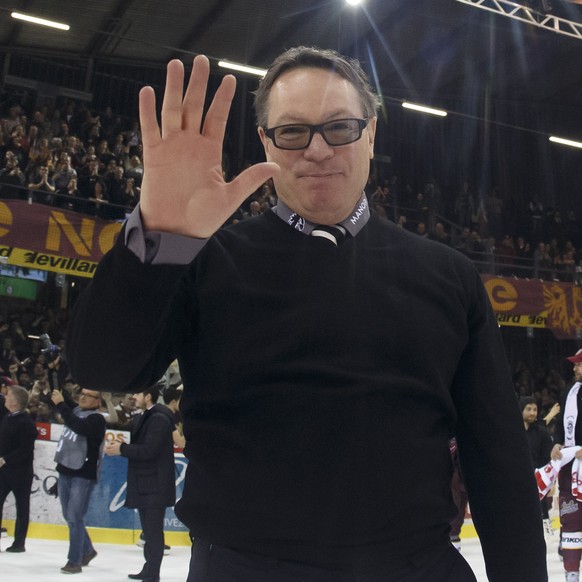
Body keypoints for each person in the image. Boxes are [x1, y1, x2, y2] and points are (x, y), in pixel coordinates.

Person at [67, 47, 547, 581]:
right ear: (265, 143)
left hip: (416, 568)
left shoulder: (449, 276)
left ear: (371, 135)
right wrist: (156, 234)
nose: (317, 149)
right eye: (293, 132)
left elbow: (497, 458)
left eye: (340, 127)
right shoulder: (204, 262)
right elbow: (103, 367)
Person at [104, 385, 175, 582]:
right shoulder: (149, 416)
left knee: (153, 532)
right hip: (147, 482)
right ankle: (149, 569)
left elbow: (149, 450)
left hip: (154, 484)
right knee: (149, 532)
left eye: (137, 394)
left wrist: (122, 449)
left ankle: (152, 574)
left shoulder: (159, 419)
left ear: (148, 396)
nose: (133, 397)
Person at [51, 387, 106, 574]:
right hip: (66, 471)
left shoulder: (96, 420)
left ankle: (74, 561)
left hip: (83, 475)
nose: (83, 397)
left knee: (74, 517)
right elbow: (70, 408)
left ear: (97, 402)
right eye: (81, 394)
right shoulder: (77, 411)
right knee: (70, 517)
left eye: (89, 395)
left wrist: (60, 404)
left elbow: (78, 426)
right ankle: (87, 550)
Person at [550, 348, 582, 582]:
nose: (575, 368)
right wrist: (557, 443)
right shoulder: (568, 391)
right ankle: (571, 572)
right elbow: (563, 427)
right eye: (575, 364)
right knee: (570, 517)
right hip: (570, 466)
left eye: (579, 364)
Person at [0, 385, 37, 552]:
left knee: (22, 507)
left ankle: (19, 543)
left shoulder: (26, 423)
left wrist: (5, 459)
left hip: (20, 472)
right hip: (4, 470)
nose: (5, 398)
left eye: (8, 396)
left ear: (14, 402)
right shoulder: (8, 416)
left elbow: (25, 450)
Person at [520, 396, 554, 533]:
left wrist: (551, 481)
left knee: (541, 512)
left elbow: (549, 459)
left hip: (538, 480)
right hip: (517, 481)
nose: (533, 413)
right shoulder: (513, 433)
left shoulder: (542, 433)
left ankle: (546, 528)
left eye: (535, 409)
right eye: (528, 409)